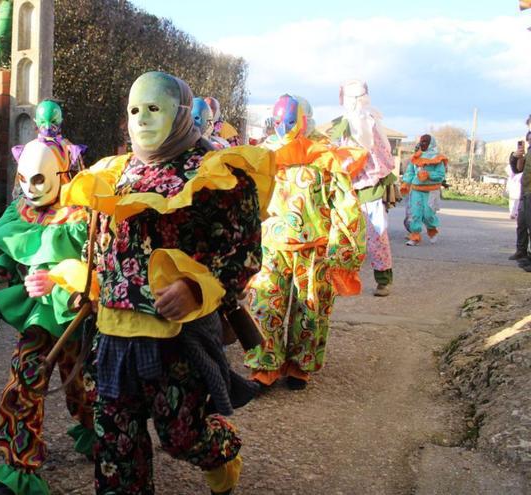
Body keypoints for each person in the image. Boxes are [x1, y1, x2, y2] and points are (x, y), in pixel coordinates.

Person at [60, 71, 275, 495]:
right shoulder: (112, 172)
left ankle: (221, 455)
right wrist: (73, 281)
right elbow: (98, 245)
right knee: (117, 450)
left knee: (183, 436)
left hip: (177, 340)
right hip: (112, 336)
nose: (141, 119)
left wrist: (196, 289)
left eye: (153, 108)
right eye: (134, 110)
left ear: (180, 113)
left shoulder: (216, 173)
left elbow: (244, 253)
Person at [0, 138, 94, 495]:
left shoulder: (81, 217)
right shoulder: (23, 211)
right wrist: (11, 270)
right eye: (24, 179)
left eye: (40, 180)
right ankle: (20, 464)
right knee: (25, 381)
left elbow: (95, 269)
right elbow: (18, 250)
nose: (30, 189)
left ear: (61, 174)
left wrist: (58, 280)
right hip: (39, 321)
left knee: (82, 388)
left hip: (74, 319)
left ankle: (100, 433)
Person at [243, 94, 367, 390]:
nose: (284, 127)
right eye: (279, 121)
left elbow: (344, 204)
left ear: (305, 120)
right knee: (264, 305)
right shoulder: (262, 156)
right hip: (270, 247)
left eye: (290, 120)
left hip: (315, 249)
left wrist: (342, 248)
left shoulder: (324, 157)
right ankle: (265, 365)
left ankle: (299, 365)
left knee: (310, 310)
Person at [329, 80, 397, 296]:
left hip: (369, 187)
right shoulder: (341, 124)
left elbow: (381, 154)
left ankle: (383, 279)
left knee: (377, 234)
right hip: (345, 187)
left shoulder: (371, 122)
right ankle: (342, 280)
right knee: (342, 235)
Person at [401, 134, 447, 246]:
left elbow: (441, 174)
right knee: (415, 213)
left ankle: (432, 230)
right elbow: (410, 172)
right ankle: (415, 236)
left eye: (425, 142)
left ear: (431, 143)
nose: (423, 144)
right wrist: (406, 183)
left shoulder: (438, 158)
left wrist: (428, 175)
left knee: (428, 214)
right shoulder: (416, 157)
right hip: (416, 190)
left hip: (431, 191)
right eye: (422, 142)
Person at [510, 123, 531, 268]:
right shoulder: (529, 150)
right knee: (522, 223)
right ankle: (522, 251)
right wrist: (515, 157)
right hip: (526, 190)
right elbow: (518, 169)